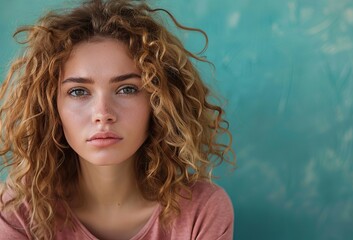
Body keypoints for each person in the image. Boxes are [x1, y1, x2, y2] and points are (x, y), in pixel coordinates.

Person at [0, 0, 235, 239]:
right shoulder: (18, 210)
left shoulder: (202, 210)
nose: (103, 113)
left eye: (127, 89)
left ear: (159, 101)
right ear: (51, 106)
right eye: (79, 91)